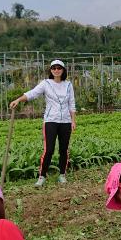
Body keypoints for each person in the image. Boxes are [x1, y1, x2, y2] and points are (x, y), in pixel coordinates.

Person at [9, 59, 77, 187]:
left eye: (59, 68)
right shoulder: (46, 83)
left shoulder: (68, 85)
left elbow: (72, 103)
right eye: (54, 68)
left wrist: (73, 120)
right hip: (50, 120)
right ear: (50, 70)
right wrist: (18, 100)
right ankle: (42, 176)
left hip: (65, 121)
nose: (56, 70)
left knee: (64, 149)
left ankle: (62, 175)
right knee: (49, 149)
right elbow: (32, 94)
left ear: (63, 70)